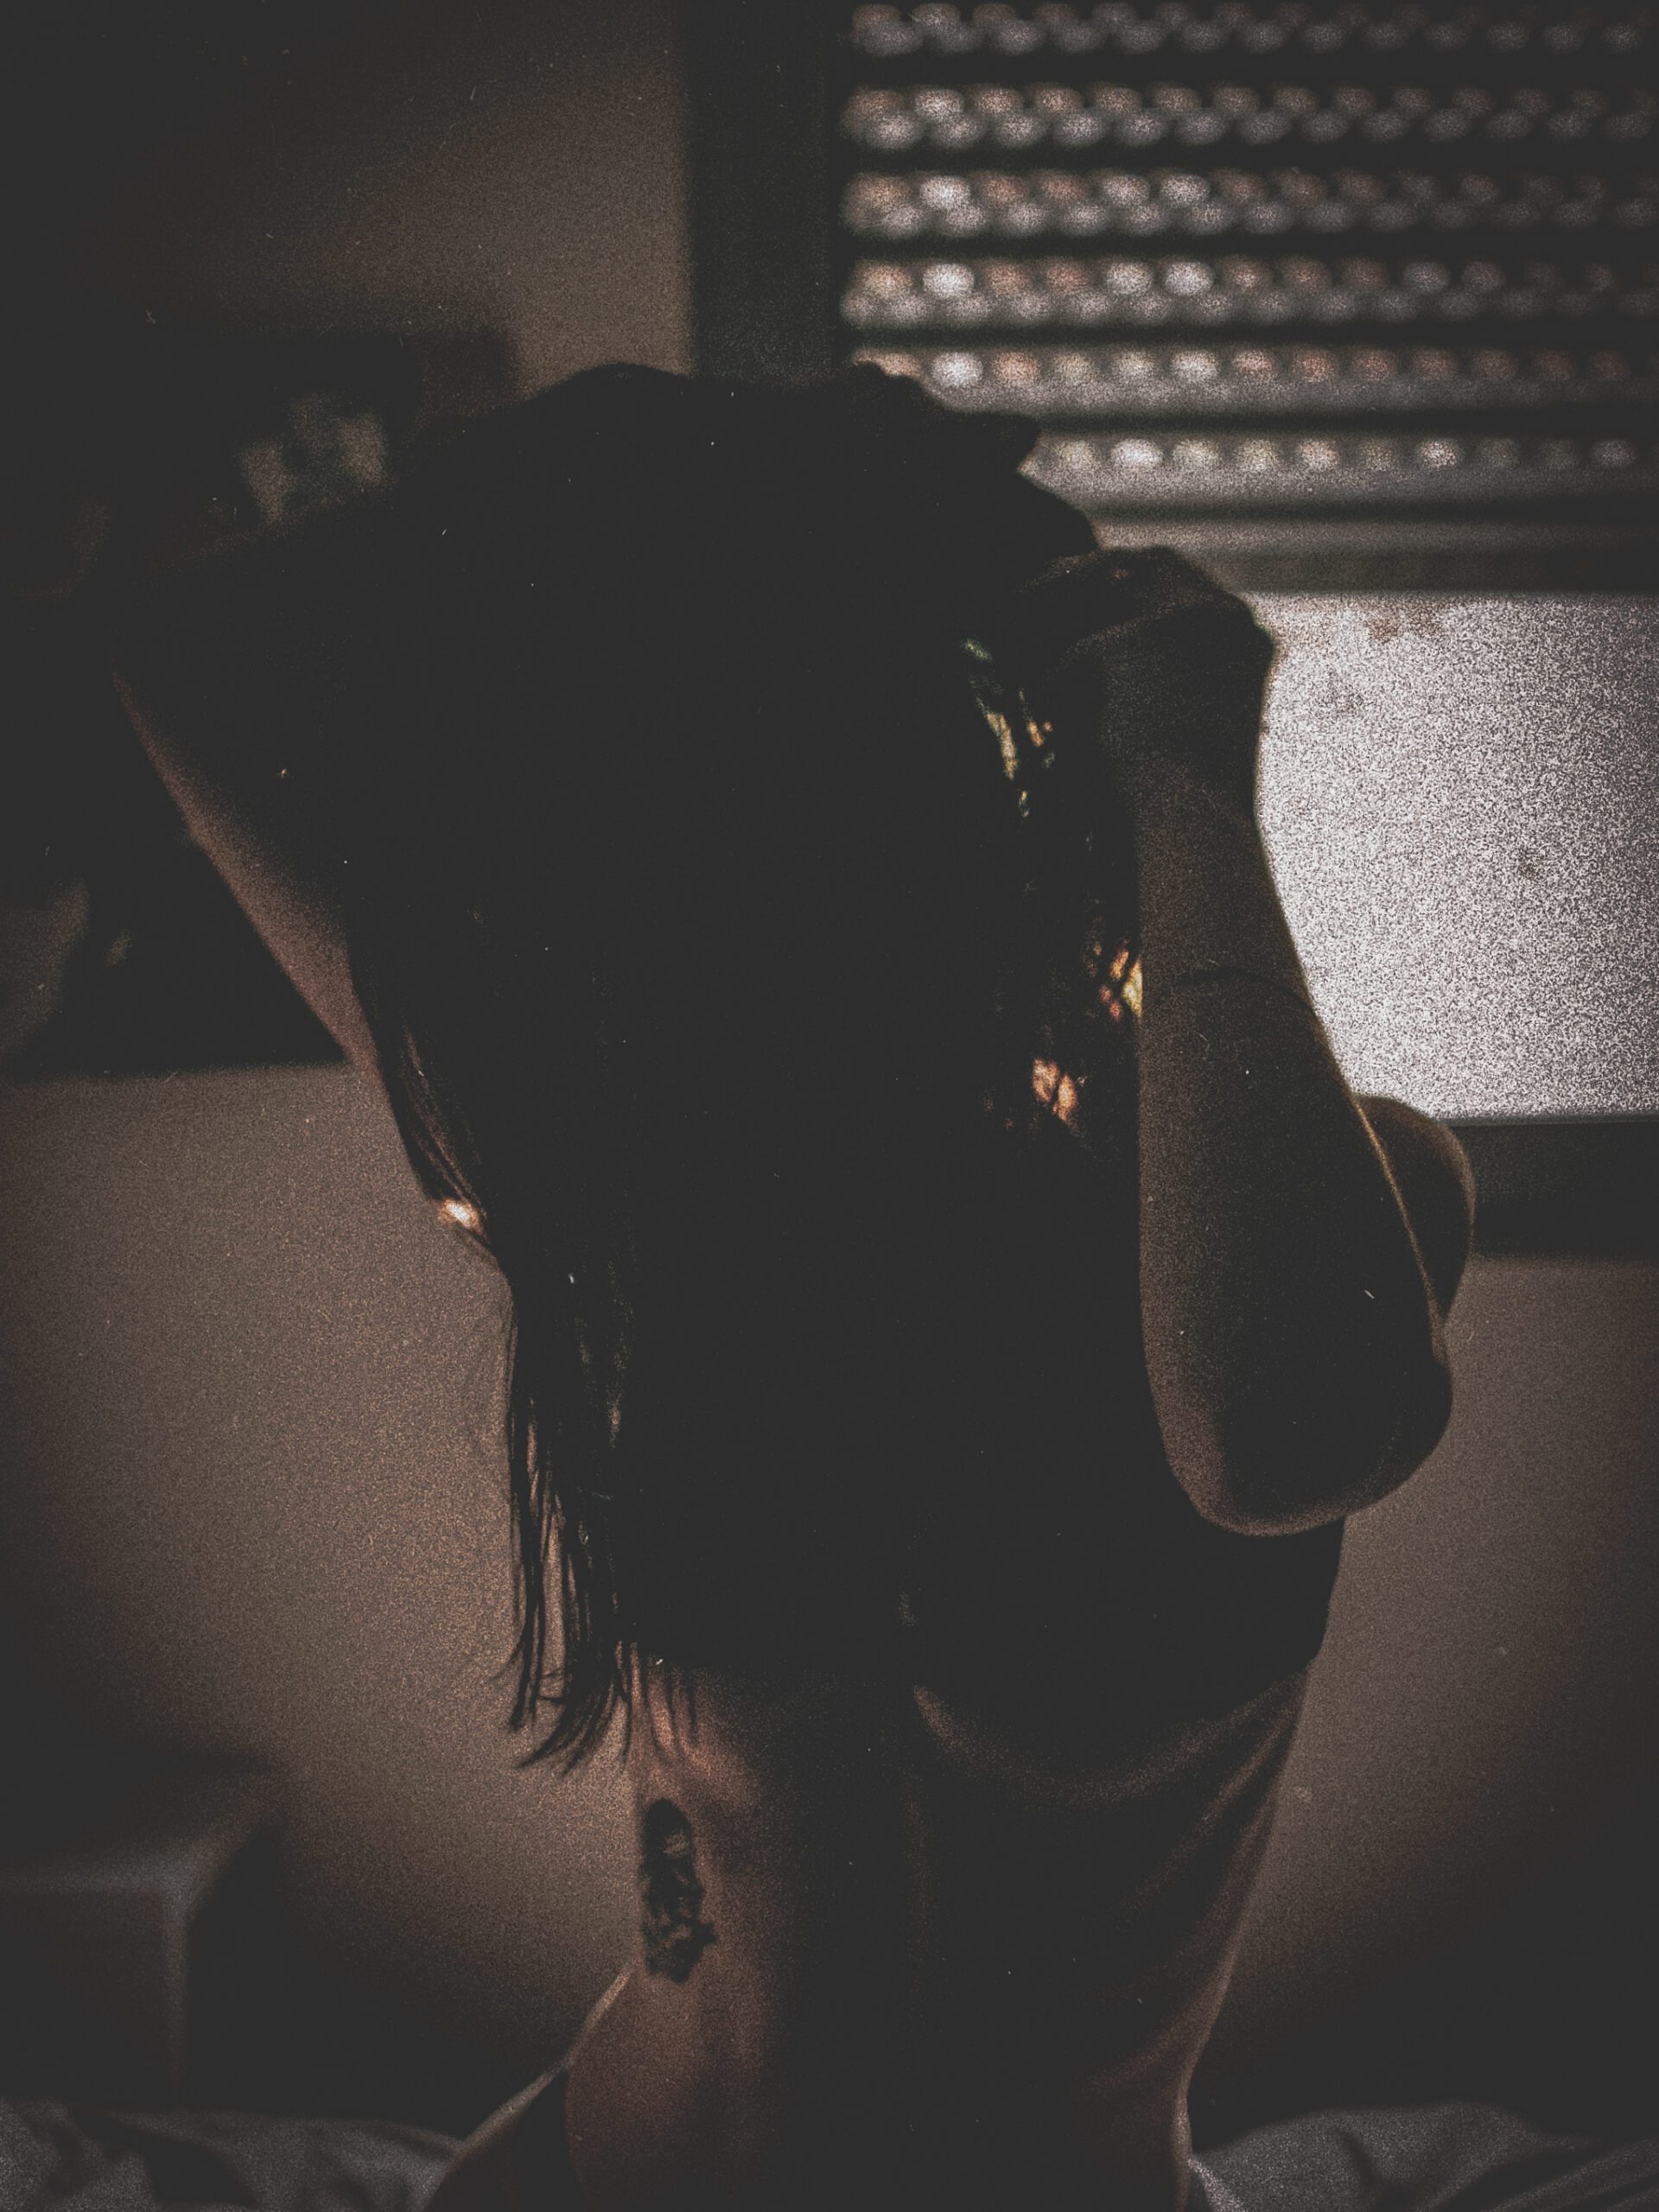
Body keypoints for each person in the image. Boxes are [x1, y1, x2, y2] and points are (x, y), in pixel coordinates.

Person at [111, 364, 1475, 2211]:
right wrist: (669, 453)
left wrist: (1184, 772)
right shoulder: (642, 1217)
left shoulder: (1324, 1221)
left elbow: (1268, 1430)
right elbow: (181, 648)